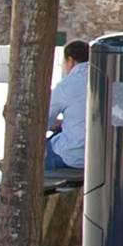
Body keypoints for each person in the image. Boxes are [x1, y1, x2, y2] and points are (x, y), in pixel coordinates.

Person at [44, 40, 89, 173]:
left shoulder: (66, 85)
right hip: (101, 155)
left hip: (74, 156)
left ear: (70, 61)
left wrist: (53, 124)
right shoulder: (105, 79)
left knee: (39, 154)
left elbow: (44, 120)